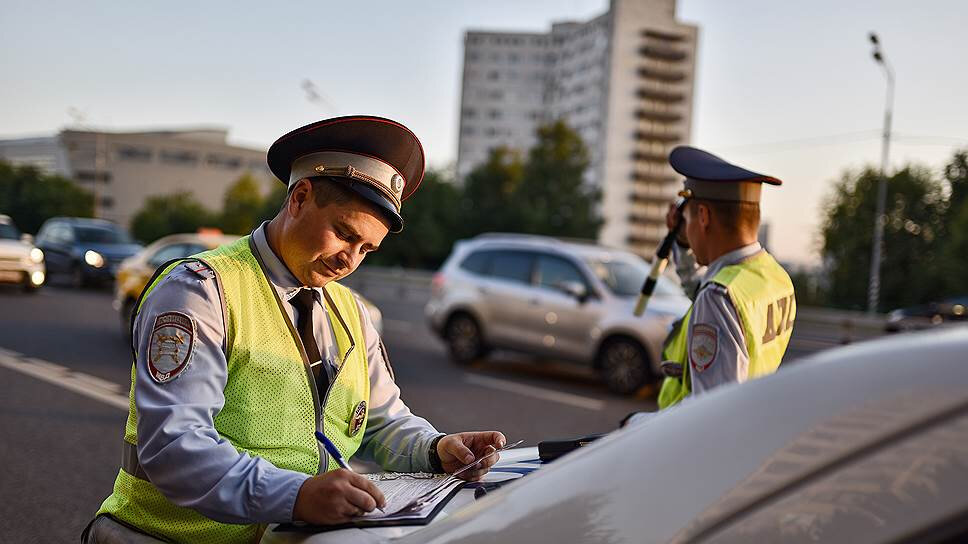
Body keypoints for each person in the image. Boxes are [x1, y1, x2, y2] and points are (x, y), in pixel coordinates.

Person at [84, 116, 506, 543]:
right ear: (300, 197)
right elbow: (174, 446)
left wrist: (435, 449)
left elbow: (381, 420)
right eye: (344, 234)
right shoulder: (200, 290)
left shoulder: (352, 311)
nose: (349, 261)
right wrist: (297, 496)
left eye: (366, 249)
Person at [654, 146, 797, 410]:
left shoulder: (718, 297)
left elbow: (710, 410)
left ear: (704, 217)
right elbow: (703, 286)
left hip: (690, 444)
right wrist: (685, 244)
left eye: (687, 219)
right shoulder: (776, 277)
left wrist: (637, 426)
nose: (685, 228)